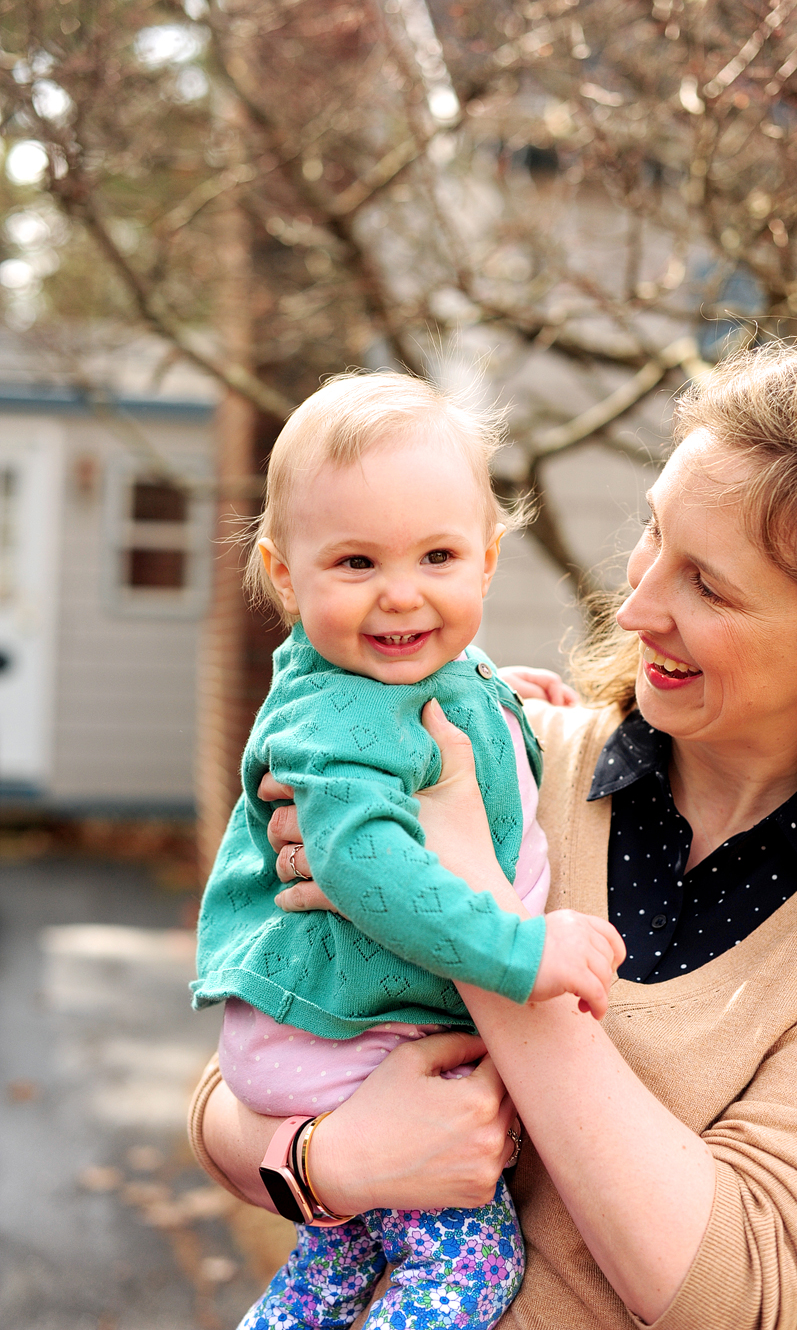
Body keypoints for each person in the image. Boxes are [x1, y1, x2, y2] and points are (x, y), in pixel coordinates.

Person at [191, 344, 797, 1330]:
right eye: (653, 535)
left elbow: (741, 1294)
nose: (638, 602)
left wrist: (477, 913)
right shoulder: (496, 757)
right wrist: (330, 1162)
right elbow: (246, 1078)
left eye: (710, 586)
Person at [190, 370, 619, 1330]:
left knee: (330, 1269)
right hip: (354, 1043)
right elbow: (364, 867)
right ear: (284, 573)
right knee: (463, 1270)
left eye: (436, 555)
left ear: (487, 560)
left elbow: (431, 706)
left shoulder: (410, 671)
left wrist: (501, 697)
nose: (401, 595)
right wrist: (522, 951)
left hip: (332, 1034)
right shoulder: (339, 717)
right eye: (355, 563)